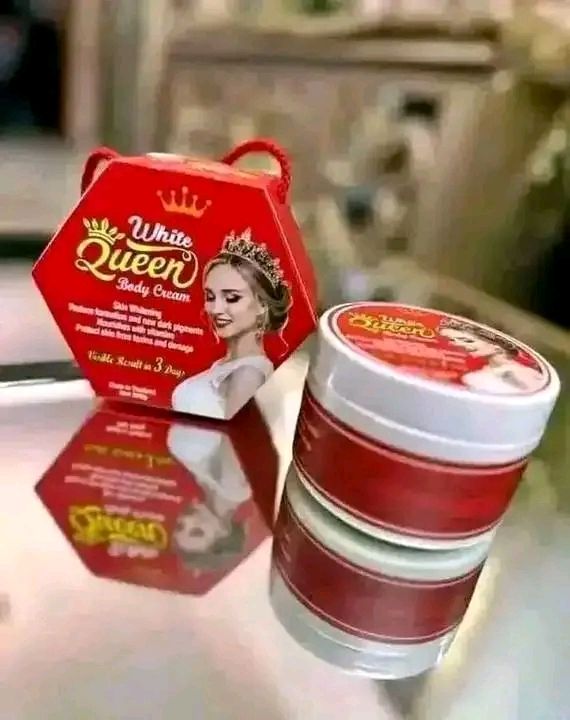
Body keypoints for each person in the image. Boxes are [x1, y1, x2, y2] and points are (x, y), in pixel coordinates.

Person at [172, 227, 292, 418]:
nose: (216, 309)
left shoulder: (248, 374)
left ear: (262, 305)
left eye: (232, 298)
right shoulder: (228, 366)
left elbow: (233, 436)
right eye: (210, 297)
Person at [166, 424, 251, 572]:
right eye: (197, 531)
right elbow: (239, 421)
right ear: (223, 530)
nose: (188, 519)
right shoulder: (236, 486)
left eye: (180, 526)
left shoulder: (204, 482)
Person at [440, 321, 545, 394]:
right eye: (451, 340)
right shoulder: (474, 378)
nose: (459, 345)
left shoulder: (532, 374)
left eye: (467, 340)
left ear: (496, 346)